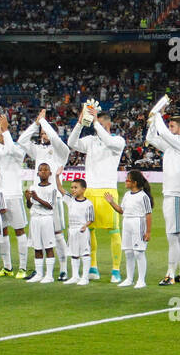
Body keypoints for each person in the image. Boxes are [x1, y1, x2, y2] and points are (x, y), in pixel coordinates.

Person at [66, 108, 126, 282]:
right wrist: (79, 123)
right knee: (89, 230)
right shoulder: (91, 141)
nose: (96, 127)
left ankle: (116, 270)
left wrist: (95, 124)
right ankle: (93, 266)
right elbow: (71, 142)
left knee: (114, 231)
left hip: (108, 191)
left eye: (100, 123)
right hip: (90, 190)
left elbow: (109, 141)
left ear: (108, 124)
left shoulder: (117, 140)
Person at [147, 107, 180, 285]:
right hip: (171, 193)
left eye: (173, 126)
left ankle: (170, 274)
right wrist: (152, 122)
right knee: (176, 237)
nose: (170, 129)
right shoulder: (172, 146)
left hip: (176, 194)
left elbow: (164, 133)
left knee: (172, 236)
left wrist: (157, 114)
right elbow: (151, 138)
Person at [19, 109, 72, 279]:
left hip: (54, 197)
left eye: (46, 132)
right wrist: (36, 123)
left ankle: (63, 269)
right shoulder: (38, 150)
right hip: (36, 196)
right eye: (41, 133)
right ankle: (39, 269)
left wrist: (44, 123)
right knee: (37, 236)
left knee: (57, 235)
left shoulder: (61, 152)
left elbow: (55, 139)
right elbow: (21, 140)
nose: (44, 135)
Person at [0, 115, 31, 279]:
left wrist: (5, 131)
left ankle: (22, 267)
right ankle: (7, 266)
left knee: (19, 231)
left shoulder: (17, 148)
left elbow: (12, 151)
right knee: (3, 231)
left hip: (14, 195)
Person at [109, 169, 152, 288]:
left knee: (138, 252)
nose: (125, 182)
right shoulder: (127, 195)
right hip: (126, 222)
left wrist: (148, 231)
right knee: (128, 252)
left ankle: (141, 280)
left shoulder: (143, 196)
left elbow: (148, 214)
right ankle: (129, 278)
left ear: (135, 182)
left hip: (138, 222)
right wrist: (112, 202)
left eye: (127, 180)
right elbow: (122, 211)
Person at [25, 162, 61, 284]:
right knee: (37, 247)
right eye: (41, 170)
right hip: (35, 219)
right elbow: (29, 206)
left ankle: (49, 275)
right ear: (37, 173)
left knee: (48, 247)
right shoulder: (33, 187)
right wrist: (28, 199)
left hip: (46, 219)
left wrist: (37, 198)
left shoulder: (52, 188)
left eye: (46, 170)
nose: (43, 172)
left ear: (50, 173)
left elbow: (51, 206)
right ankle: (39, 274)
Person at [62, 177, 95, 286]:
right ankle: (75, 276)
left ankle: (85, 277)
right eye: (72, 187)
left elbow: (91, 219)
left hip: (82, 231)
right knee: (73, 253)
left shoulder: (88, 204)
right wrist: (57, 176)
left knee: (85, 253)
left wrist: (85, 226)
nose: (73, 190)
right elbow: (60, 189)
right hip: (72, 230)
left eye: (76, 187)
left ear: (83, 189)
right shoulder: (70, 200)